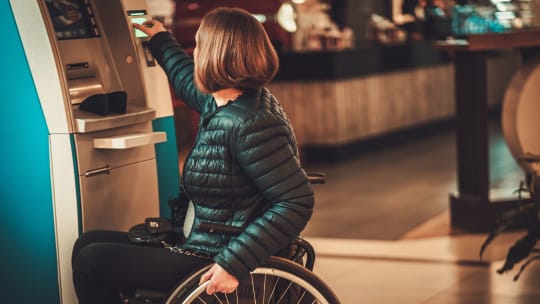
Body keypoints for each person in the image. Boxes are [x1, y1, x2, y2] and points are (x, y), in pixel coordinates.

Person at [71, 6, 315, 303]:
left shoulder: (251, 122)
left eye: (199, 45)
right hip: (205, 240)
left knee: (93, 261)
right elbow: (186, 79)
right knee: (88, 242)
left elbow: (296, 201)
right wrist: (160, 38)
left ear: (216, 54)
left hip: (216, 256)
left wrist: (232, 264)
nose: (195, 52)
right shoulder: (226, 99)